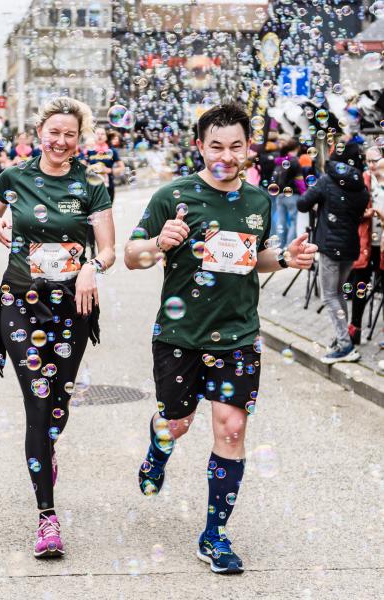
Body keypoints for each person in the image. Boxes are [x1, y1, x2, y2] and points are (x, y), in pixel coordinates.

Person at [124, 103, 317, 574]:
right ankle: (158, 449)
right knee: (178, 423)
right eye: (216, 146)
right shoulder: (173, 196)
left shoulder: (257, 201)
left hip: (237, 335)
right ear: (200, 147)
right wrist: (157, 244)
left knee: (231, 429)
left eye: (235, 146)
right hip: (180, 335)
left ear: (248, 149)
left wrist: (285, 258)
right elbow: (132, 255)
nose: (226, 156)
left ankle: (215, 535)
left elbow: (257, 258)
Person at [0, 97, 115, 558]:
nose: (60, 141)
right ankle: (47, 518)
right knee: (37, 401)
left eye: (70, 134)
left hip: (73, 304)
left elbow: (109, 249)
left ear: (80, 138)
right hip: (20, 300)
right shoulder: (14, 177)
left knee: (57, 404)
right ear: (40, 132)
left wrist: (93, 266)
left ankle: (46, 449)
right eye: (53, 132)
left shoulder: (92, 185)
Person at [297, 144, 368, 364]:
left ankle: (346, 346)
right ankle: (342, 339)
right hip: (350, 247)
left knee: (329, 295)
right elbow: (354, 212)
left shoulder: (327, 181)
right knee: (338, 293)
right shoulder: (362, 188)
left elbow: (302, 204)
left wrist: (321, 205)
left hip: (329, 245)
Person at [349, 155, 384, 345]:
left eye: (375, 160)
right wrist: (365, 213)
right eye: (368, 161)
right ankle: (355, 329)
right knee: (359, 284)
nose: (372, 164)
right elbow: (351, 211)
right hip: (366, 243)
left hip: (383, 243)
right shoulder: (362, 181)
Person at [269, 138, 306, 246]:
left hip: (280, 196)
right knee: (294, 221)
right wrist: (304, 194)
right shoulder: (294, 161)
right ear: (296, 148)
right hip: (292, 195)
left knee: (281, 222)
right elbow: (299, 180)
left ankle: (280, 247)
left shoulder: (279, 161)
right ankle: (289, 247)